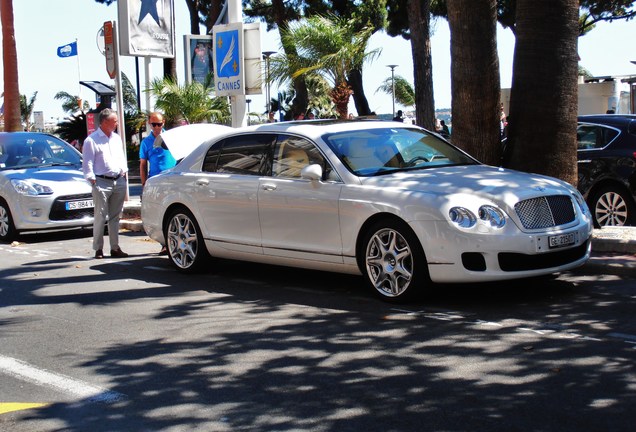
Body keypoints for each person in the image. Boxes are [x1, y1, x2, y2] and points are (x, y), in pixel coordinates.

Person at [82, 108, 129, 259]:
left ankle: (115, 248)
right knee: (100, 216)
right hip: (101, 181)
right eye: (114, 120)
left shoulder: (116, 138)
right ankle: (98, 249)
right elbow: (87, 163)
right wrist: (92, 179)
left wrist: (124, 171)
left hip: (118, 180)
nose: (116, 123)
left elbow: (121, 157)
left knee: (115, 217)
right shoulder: (92, 140)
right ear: (104, 122)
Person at [139, 112, 176, 255]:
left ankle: (172, 242)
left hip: (172, 181)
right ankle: (164, 244)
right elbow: (142, 164)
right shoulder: (146, 142)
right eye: (153, 124)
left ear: (163, 123)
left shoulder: (171, 138)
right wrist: (144, 184)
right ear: (149, 124)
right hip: (155, 182)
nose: (156, 127)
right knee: (159, 213)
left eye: (159, 124)